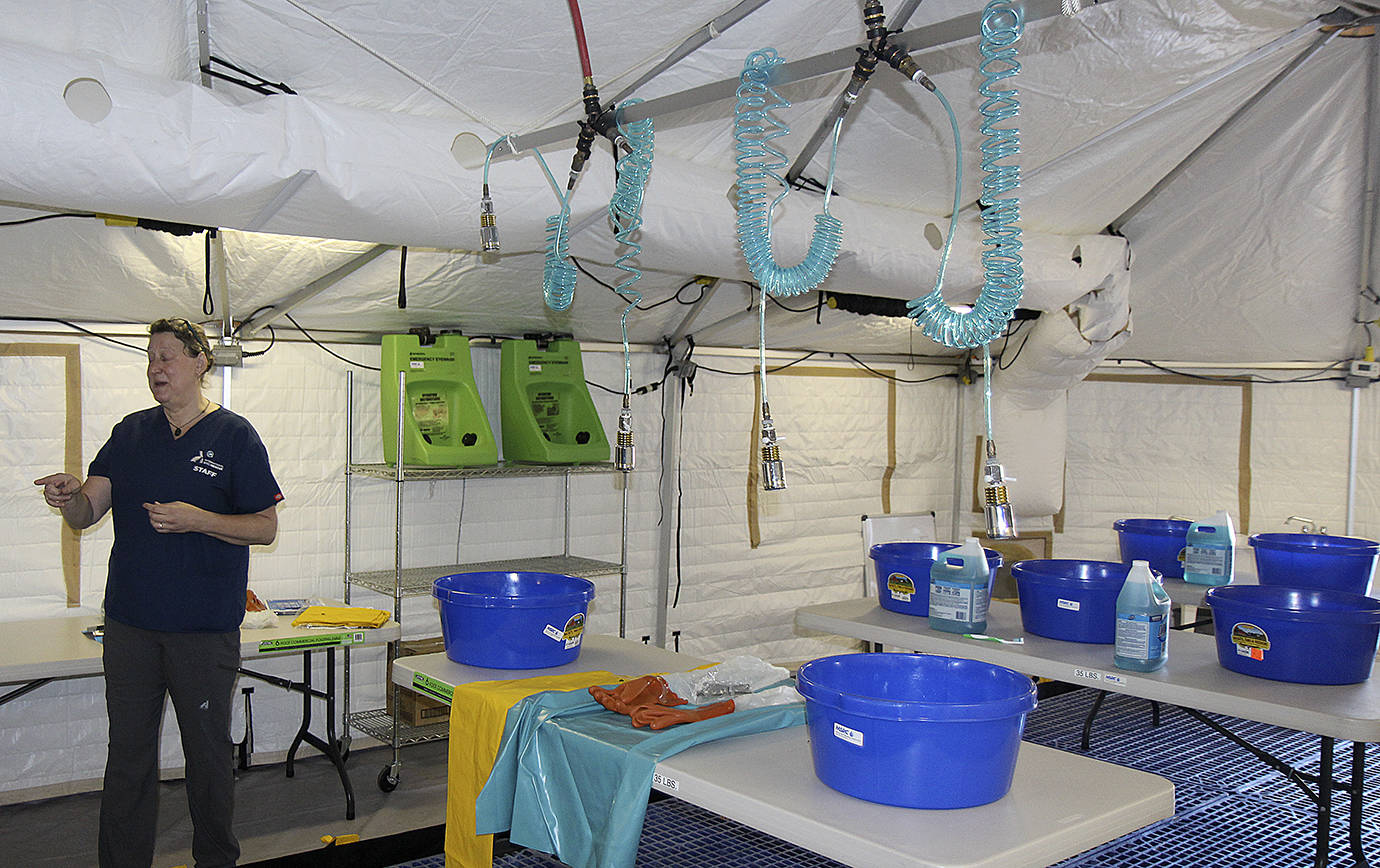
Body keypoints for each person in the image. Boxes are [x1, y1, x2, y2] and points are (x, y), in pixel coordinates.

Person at [35, 318, 282, 868]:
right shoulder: (131, 433)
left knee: (208, 759)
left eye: (167, 357)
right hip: (131, 627)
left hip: (202, 632)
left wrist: (200, 519)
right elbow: (87, 512)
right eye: (150, 359)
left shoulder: (234, 436)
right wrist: (68, 496)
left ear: (200, 362)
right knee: (128, 759)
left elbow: (264, 526)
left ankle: (215, 860)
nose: (155, 368)